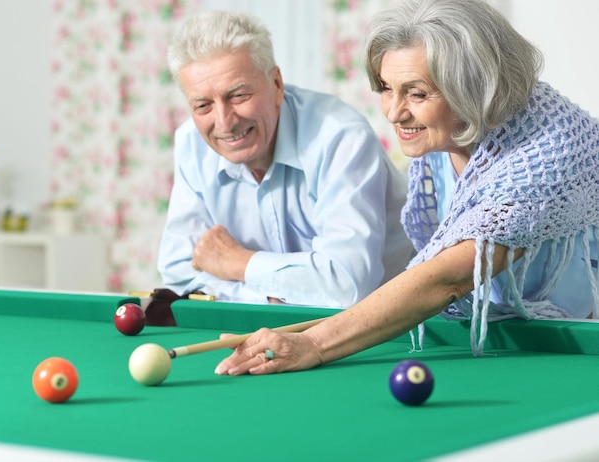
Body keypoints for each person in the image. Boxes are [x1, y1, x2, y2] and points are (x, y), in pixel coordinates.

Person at [214, 0, 599, 376]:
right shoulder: (445, 131)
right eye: (386, 88)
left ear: (475, 87)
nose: (394, 112)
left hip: (583, 347)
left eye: (416, 93)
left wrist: (315, 343)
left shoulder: (548, 151)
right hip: (518, 341)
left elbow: (448, 277)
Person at [157, 10, 413, 308]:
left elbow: (348, 284)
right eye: (203, 105)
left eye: (238, 96)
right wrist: (270, 295)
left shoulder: (340, 138)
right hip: (271, 334)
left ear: (276, 84)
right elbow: (178, 275)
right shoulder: (191, 143)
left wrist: (240, 264)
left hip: (391, 331)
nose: (225, 123)